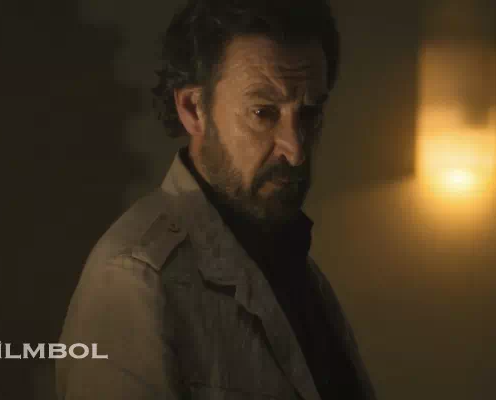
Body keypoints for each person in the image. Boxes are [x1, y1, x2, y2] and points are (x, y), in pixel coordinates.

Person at [56, 0, 376, 399]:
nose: (295, 150)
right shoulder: (136, 279)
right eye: (263, 112)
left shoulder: (294, 263)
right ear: (193, 109)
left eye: (310, 114)